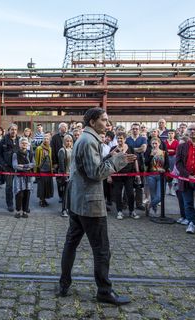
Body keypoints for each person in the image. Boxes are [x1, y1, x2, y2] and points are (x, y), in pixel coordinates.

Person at [59, 107, 136, 306]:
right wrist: (118, 161)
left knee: (71, 243)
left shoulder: (84, 139)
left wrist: (111, 158)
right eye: (104, 120)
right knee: (102, 250)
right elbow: (96, 173)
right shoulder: (88, 140)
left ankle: (64, 284)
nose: (107, 124)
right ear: (92, 122)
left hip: (78, 202)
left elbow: (90, 167)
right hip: (90, 204)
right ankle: (104, 291)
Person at [110, 131, 140, 220]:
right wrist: (109, 175)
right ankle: (119, 211)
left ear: (125, 139)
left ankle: (132, 211)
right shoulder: (113, 149)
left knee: (130, 193)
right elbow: (110, 163)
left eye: (121, 138)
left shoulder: (130, 148)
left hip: (129, 174)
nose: (119, 140)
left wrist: (137, 174)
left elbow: (135, 160)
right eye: (118, 138)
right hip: (117, 175)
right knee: (118, 194)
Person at [0, 124, 20, 212]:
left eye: (15, 129)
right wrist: (3, 165)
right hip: (8, 168)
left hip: (18, 168)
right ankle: (10, 204)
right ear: (9, 130)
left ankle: (19, 204)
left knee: (19, 186)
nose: (14, 131)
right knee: (9, 187)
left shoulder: (19, 140)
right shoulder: (4, 140)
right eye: (12, 129)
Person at [144, 137, 169, 217]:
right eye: (153, 144)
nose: (154, 145)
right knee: (153, 195)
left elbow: (167, 164)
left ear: (159, 143)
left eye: (156, 143)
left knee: (159, 196)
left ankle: (149, 206)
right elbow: (146, 163)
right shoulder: (149, 152)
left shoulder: (164, 152)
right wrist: (152, 155)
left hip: (161, 176)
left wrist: (164, 169)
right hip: (151, 175)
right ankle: (154, 212)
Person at [126, 123, 147, 211]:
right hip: (129, 164)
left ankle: (139, 203)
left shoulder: (143, 138)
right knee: (128, 185)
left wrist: (131, 149)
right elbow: (125, 150)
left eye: (136, 129)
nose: (135, 130)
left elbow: (143, 149)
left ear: (139, 130)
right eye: (133, 129)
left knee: (139, 185)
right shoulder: (127, 139)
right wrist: (136, 149)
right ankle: (127, 203)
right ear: (131, 129)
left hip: (140, 164)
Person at [12, 137, 35, 218]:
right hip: (19, 177)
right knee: (19, 194)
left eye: (25, 143)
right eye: (22, 143)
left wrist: (24, 166)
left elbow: (33, 164)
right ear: (19, 144)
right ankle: (18, 211)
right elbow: (15, 166)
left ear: (28, 144)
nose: (24, 144)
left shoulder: (31, 153)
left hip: (28, 177)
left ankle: (25, 211)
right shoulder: (15, 154)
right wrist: (27, 167)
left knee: (27, 194)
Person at [35, 132, 54, 207]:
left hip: (48, 170)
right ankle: (41, 200)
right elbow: (36, 160)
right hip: (41, 170)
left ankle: (44, 199)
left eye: (47, 139)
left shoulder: (50, 148)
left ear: (49, 140)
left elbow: (50, 159)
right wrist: (36, 171)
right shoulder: (39, 148)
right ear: (43, 139)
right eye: (45, 138)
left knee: (47, 186)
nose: (46, 140)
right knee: (41, 186)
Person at [58, 134, 73, 217]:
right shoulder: (62, 150)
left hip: (72, 175)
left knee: (71, 193)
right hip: (66, 175)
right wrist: (64, 176)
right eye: (67, 141)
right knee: (65, 194)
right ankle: (64, 210)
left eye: (70, 141)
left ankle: (69, 209)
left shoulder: (72, 149)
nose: (69, 142)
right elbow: (61, 165)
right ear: (64, 141)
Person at [165, 129, 178, 196]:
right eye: (169, 133)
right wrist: (170, 151)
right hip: (166, 159)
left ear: (174, 134)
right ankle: (167, 189)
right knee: (167, 173)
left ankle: (172, 189)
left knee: (173, 174)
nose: (170, 134)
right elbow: (164, 150)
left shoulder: (176, 142)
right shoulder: (165, 142)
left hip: (173, 158)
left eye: (172, 133)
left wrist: (169, 151)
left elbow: (177, 151)